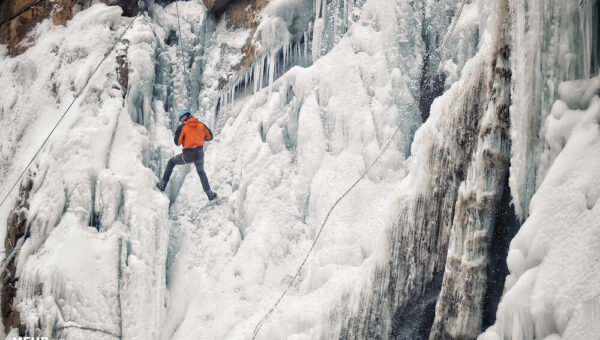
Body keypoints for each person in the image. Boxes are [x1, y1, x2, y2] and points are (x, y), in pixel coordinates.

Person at [156, 109, 217, 201]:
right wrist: (198, 137)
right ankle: (209, 194)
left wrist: (182, 134)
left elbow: (177, 142)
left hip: (188, 155)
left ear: (183, 117)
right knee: (201, 172)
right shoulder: (201, 125)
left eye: (181, 119)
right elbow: (210, 137)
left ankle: (163, 185)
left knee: (171, 162)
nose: (181, 121)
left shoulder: (182, 127)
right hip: (200, 155)